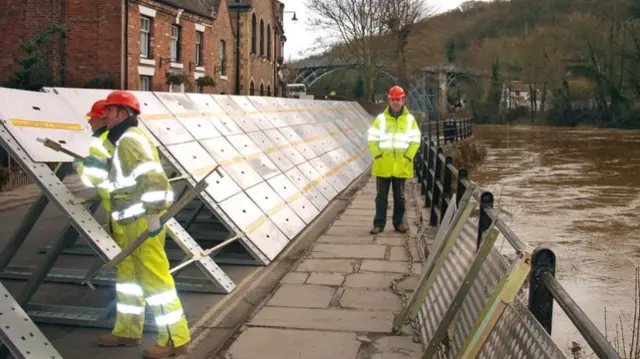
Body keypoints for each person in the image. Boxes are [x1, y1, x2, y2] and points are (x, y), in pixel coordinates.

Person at [92, 90, 190, 358]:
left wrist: (152, 216)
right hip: (129, 221)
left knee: (155, 282)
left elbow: (154, 179)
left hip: (140, 221)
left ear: (123, 114)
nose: (105, 116)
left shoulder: (129, 140)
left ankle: (174, 340)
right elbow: (128, 178)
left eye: (110, 112)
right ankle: (127, 331)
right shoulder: (125, 140)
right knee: (129, 280)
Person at [367, 85, 421, 235]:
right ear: (389, 100)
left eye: (398, 99)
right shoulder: (380, 119)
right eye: (393, 99)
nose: (396, 102)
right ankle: (379, 224)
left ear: (403, 100)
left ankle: (399, 223)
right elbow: (372, 139)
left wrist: (408, 156)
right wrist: (378, 154)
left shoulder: (410, 120)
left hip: (401, 164)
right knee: (381, 197)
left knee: (400, 197)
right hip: (384, 164)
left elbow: (415, 140)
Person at [74, 99, 112, 224]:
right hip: (137, 206)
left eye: (93, 118)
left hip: (119, 207)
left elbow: (93, 179)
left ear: (102, 119)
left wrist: (78, 166)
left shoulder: (99, 143)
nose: (89, 121)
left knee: (127, 242)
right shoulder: (120, 135)